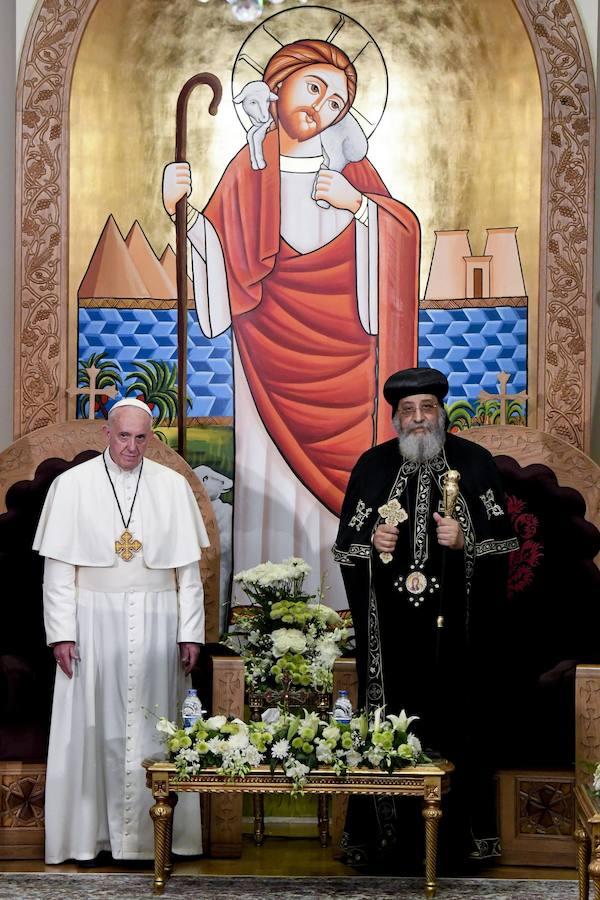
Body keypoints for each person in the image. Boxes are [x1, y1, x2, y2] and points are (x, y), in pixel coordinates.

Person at [162, 37, 420, 608]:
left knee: (346, 501)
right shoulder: (247, 168)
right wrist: (179, 214)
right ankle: (264, 613)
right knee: (269, 482)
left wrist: (359, 207)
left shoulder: (352, 172)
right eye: (314, 88)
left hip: (349, 372)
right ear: (278, 85)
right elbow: (217, 254)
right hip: (265, 360)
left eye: (336, 103)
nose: (321, 106)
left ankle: (349, 614)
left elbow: (402, 239)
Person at [333, 367, 518, 870]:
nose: (418, 420)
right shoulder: (372, 467)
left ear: (442, 413)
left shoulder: (475, 464)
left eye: (427, 410)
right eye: (408, 412)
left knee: (457, 724)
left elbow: (503, 545)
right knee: (391, 724)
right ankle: (384, 842)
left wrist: (466, 542)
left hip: (457, 634)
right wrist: (372, 545)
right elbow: (346, 548)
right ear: (395, 419)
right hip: (390, 636)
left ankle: (461, 843)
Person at [33, 398, 209, 865]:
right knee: (92, 730)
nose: (131, 446)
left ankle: (159, 839)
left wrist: (190, 634)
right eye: (123, 435)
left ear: (151, 438)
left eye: (141, 437)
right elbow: (58, 571)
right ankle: (88, 838)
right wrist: (61, 634)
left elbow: (187, 575)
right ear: (107, 435)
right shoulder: (72, 487)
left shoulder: (172, 486)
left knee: (156, 726)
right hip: (92, 619)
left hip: (158, 618)